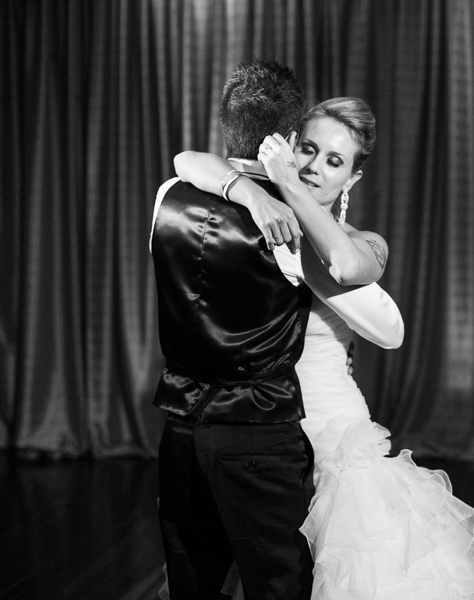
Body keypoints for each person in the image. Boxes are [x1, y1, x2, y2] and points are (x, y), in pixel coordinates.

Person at [174, 97, 474, 600]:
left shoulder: (363, 242)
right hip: (252, 431)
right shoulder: (257, 217)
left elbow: (348, 269)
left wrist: (285, 185)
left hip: (332, 438)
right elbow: (185, 163)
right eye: (306, 149)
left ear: (350, 180)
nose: (313, 167)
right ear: (287, 147)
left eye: (334, 161)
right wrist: (250, 189)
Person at [150, 60, 317, 600]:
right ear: (288, 138)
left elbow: (186, 161)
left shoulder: (168, 196)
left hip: (180, 428)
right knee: (278, 585)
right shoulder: (296, 226)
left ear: (227, 127)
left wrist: (241, 188)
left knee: (191, 584)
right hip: (258, 434)